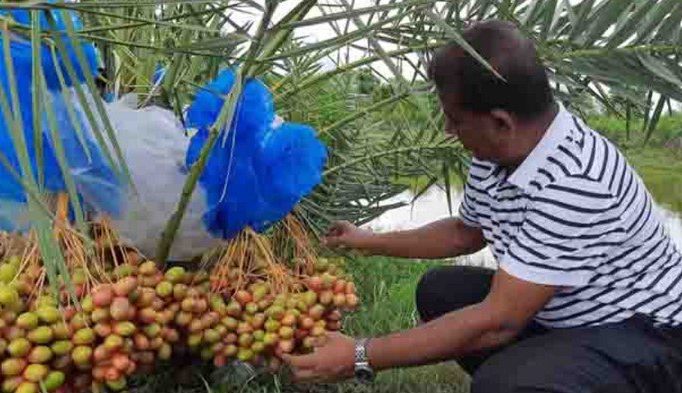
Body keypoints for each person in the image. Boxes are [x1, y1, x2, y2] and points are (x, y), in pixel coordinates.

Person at [281, 20, 682, 393]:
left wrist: (359, 355)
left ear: (501, 122)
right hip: (569, 312)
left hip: (646, 333)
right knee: (440, 292)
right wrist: (366, 240)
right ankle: (546, 371)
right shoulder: (498, 152)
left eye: (455, 120)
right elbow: (464, 232)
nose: (447, 130)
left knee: (503, 382)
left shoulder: (576, 180)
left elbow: (499, 321)